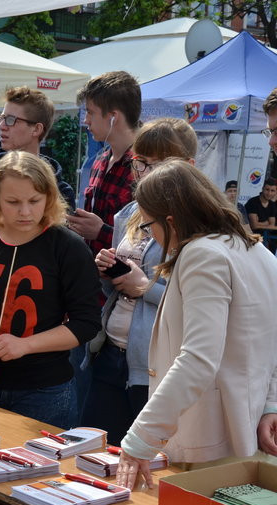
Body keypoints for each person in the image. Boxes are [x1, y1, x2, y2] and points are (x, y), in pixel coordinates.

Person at [116, 160, 277, 490]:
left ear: (170, 221)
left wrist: (140, 438)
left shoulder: (203, 253)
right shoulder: (257, 251)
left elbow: (198, 359)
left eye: (148, 226)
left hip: (208, 439)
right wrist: (270, 405)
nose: (150, 235)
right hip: (243, 432)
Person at [0, 150, 101, 431]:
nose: (25, 212)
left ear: (49, 198)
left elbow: (86, 323)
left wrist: (25, 345)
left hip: (45, 390)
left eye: (34, 201)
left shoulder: (68, 247)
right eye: (13, 202)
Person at [81, 118, 197, 446]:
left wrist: (144, 287)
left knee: (146, 457)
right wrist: (109, 270)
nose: (146, 173)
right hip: (110, 351)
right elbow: (117, 290)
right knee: (95, 451)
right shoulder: (128, 213)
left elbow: (198, 302)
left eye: (159, 164)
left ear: (188, 166)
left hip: (155, 364)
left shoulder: (196, 224)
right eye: (140, 162)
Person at [0, 86, 75, 214]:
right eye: (2, 118)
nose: (1, 126)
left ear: (36, 129)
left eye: (10, 120)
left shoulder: (62, 193)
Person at [66, 71, 140, 256]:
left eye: (90, 112)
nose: (86, 120)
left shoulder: (146, 166)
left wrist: (101, 232)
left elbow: (151, 240)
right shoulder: (101, 160)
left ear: (113, 116)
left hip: (126, 272)